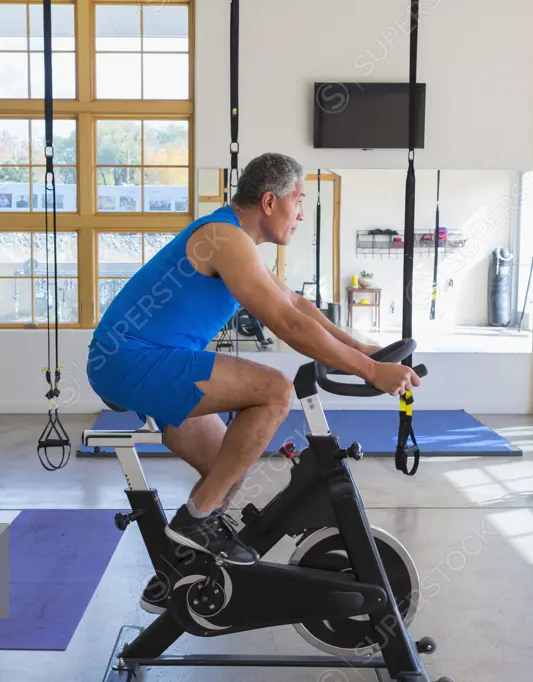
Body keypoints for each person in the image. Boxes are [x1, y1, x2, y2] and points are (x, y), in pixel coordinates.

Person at [87, 153, 422, 609]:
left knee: (227, 467)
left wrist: (365, 353)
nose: (302, 213)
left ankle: (178, 572)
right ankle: (193, 523)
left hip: (152, 361)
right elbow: (285, 323)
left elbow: (298, 306)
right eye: (299, 200)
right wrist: (370, 374)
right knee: (274, 390)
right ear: (270, 201)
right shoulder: (224, 237)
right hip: (130, 360)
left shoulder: (237, 241)